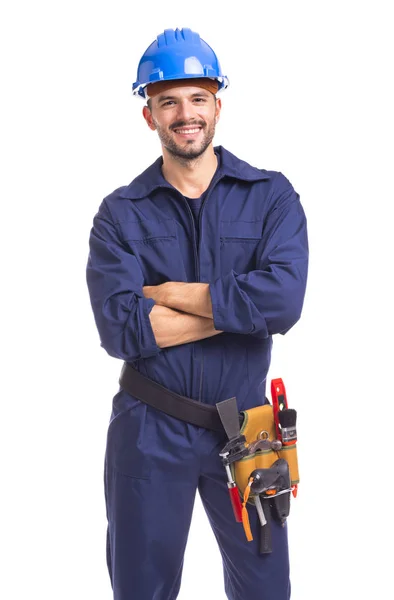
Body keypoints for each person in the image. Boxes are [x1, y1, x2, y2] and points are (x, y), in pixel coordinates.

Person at [86, 27, 308, 600]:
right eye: (168, 102)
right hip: (148, 425)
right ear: (150, 116)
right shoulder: (120, 215)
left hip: (249, 426)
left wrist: (167, 292)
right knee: (141, 589)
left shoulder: (271, 197)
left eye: (197, 98)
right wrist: (239, 309)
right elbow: (121, 329)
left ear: (217, 105)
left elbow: (283, 302)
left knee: (266, 589)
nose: (185, 114)